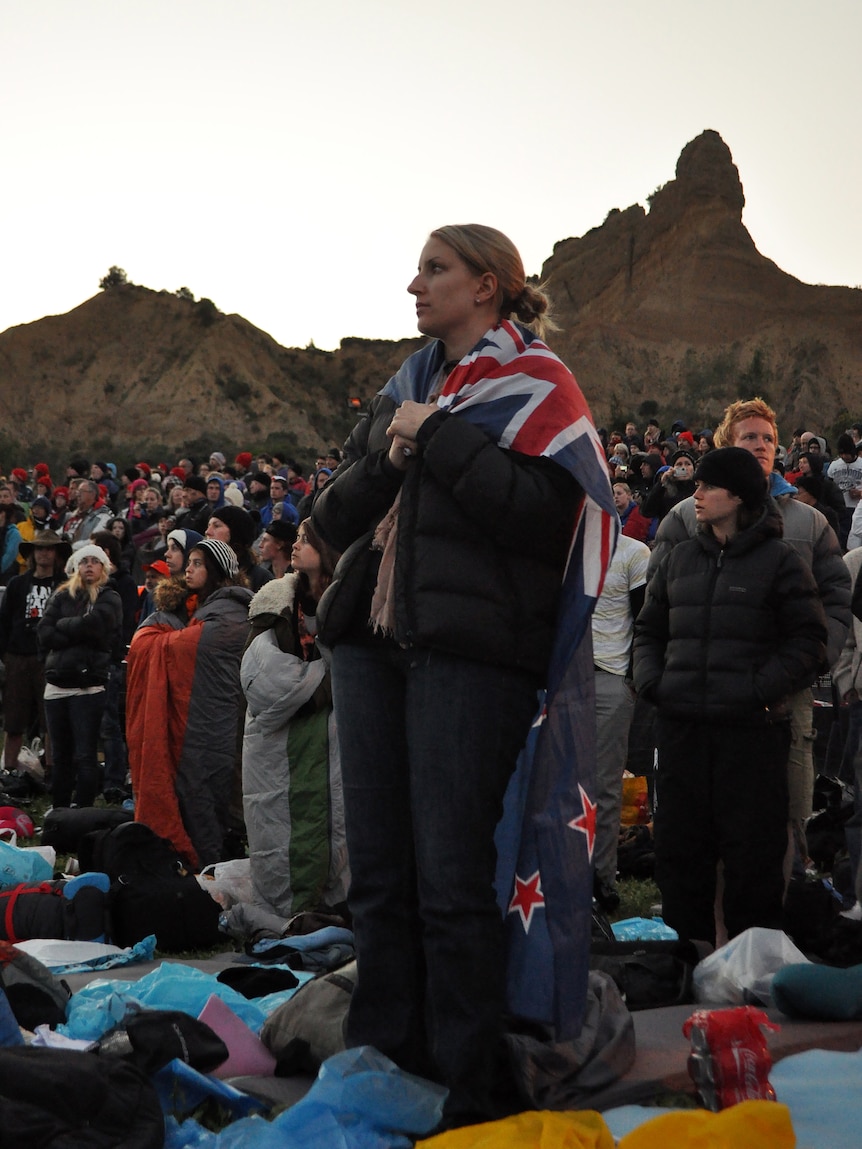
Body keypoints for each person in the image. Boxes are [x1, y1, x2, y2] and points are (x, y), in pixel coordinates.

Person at [311, 223, 609, 1127]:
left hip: (470, 656)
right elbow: (332, 513)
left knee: (449, 877)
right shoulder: (404, 387)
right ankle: (381, 1062)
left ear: (488, 285)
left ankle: (466, 1086)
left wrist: (438, 438)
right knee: (379, 875)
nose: (415, 284)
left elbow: (539, 516)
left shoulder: (538, 387)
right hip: (371, 641)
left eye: (435, 269)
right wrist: (396, 449)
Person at [650, 398, 851, 883]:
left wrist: (807, 663)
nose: (760, 446)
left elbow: (836, 599)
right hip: (700, 700)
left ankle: (782, 924)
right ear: (725, 445)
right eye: (748, 437)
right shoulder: (683, 518)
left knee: (787, 812)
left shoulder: (809, 521)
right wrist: (660, 680)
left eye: (767, 438)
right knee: (710, 827)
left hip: (785, 697)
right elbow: (656, 606)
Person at [634, 448, 827, 945]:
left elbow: (809, 642)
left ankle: (749, 981)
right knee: (679, 859)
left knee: (754, 863)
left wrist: (757, 690)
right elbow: (648, 632)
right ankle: (686, 974)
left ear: (737, 495)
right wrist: (655, 684)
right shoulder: (677, 559)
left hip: (751, 737)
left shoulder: (781, 562)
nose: (695, 495)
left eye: (707, 486)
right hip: (681, 734)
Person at [241, 517, 349, 918]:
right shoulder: (273, 605)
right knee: (279, 823)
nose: (298, 545)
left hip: (335, 740)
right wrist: (324, 681)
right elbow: (259, 678)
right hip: (276, 743)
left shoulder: (353, 604)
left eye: (308, 539)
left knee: (338, 824)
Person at [125, 539, 253, 867]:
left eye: (198, 563)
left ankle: (208, 866)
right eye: (190, 562)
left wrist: (161, 636)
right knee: (190, 792)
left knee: (206, 795)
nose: (188, 569)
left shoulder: (231, 612)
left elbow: (184, 647)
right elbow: (150, 639)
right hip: (192, 723)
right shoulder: (190, 608)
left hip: (213, 725)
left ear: (217, 570)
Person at [36, 544, 123, 809]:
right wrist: (77, 630)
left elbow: (96, 626)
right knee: (60, 755)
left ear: (103, 568)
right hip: (56, 685)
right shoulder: (61, 596)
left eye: (94, 561)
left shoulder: (110, 597)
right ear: (75, 566)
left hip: (88, 687)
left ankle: (82, 812)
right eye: (84, 560)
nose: (89, 565)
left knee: (85, 754)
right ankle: (60, 811)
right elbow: (44, 632)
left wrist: (63, 627)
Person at [591, 532, 650, 911]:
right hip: (560, 676)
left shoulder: (633, 552)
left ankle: (601, 878)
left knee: (605, 784)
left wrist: (631, 677)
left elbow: (644, 619)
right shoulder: (557, 541)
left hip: (611, 674)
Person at [0, 529, 71, 776]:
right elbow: (4, 622)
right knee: (14, 719)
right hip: (17, 656)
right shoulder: (17, 584)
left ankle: (52, 772)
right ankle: (8, 772)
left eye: (49, 548)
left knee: (50, 720)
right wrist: (5, 656)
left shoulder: (64, 586)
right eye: (39, 548)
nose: (44, 553)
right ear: (32, 553)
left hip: (51, 658)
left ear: (56, 553)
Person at [205, 505, 274, 591]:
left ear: (235, 533)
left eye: (216, 526)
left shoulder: (261, 579)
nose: (208, 532)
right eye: (208, 525)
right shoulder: (201, 572)